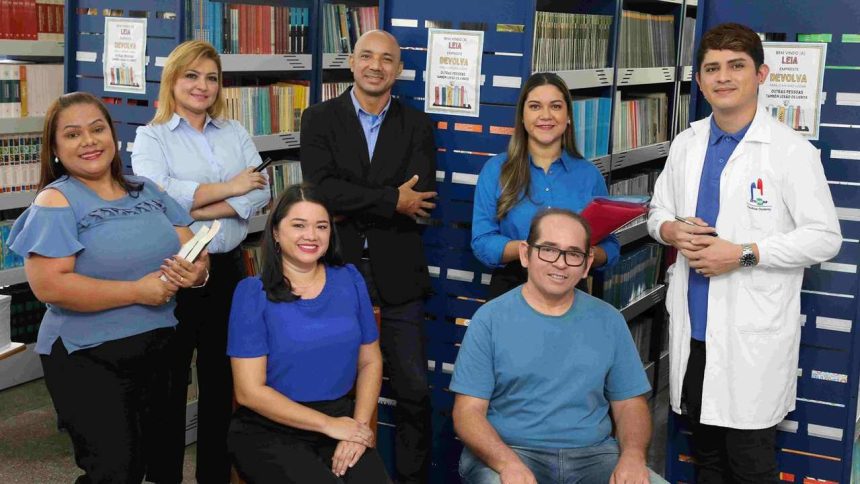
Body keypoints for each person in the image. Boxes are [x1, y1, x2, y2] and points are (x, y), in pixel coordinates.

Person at [647, 23, 842, 483]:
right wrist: (671, 229)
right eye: (712, 68)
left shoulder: (790, 152)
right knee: (707, 461)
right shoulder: (687, 144)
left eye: (736, 66)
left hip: (751, 339)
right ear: (699, 80)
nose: (723, 77)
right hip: (696, 335)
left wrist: (744, 254)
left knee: (750, 465)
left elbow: (824, 237)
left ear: (761, 74)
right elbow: (657, 212)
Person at [7, 92, 208, 483]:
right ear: (54, 148)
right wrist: (137, 292)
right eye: (73, 134)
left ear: (112, 137)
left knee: (165, 465)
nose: (89, 141)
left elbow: (194, 250)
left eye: (97, 129)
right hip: (88, 356)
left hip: (161, 347)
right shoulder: (57, 200)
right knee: (115, 471)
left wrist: (197, 274)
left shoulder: (147, 190)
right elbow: (51, 286)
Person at [131, 40, 271, 483]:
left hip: (228, 268)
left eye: (211, 77)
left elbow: (262, 192)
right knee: (168, 386)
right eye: (191, 75)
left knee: (220, 385)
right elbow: (157, 197)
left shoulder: (234, 132)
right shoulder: (150, 137)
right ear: (173, 79)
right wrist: (232, 187)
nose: (202, 86)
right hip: (173, 271)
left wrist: (196, 203)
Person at [300, 29, 436, 483]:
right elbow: (320, 191)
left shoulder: (417, 125)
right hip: (333, 271)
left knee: (414, 389)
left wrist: (353, 200)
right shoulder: (318, 118)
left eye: (386, 59)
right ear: (352, 62)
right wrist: (389, 200)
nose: (375, 65)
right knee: (330, 387)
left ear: (398, 70)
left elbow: (418, 198)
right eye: (366, 56)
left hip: (398, 274)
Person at [452, 208, 660, 484]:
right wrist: (507, 463)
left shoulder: (609, 320)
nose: (560, 263)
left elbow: (629, 405)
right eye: (548, 250)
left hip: (594, 455)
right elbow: (467, 412)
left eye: (573, 254)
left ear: (586, 264)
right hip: (510, 451)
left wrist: (633, 457)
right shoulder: (489, 320)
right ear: (525, 254)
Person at [226, 183, 391, 483]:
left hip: (342, 419)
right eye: (298, 225)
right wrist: (329, 425)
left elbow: (370, 361)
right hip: (270, 428)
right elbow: (248, 391)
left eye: (321, 226)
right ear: (276, 232)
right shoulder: (252, 294)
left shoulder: (350, 280)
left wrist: (358, 428)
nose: (311, 236)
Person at [471, 72, 620, 299]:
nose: (546, 115)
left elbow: (611, 247)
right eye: (535, 106)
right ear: (522, 116)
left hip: (572, 292)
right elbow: (482, 242)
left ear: (568, 116)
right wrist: (531, 250)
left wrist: (584, 253)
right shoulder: (496, 170)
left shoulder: (589, 175)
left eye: (556, 106)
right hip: (511, 291)